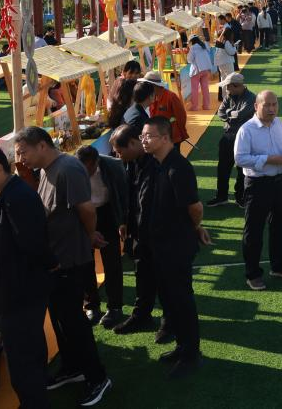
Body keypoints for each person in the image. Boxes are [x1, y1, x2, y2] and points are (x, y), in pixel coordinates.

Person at [13, 127, 112, 405]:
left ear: (42, 145)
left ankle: (97, 377)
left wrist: (90, 235)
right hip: (55, 260)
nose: (20, 159)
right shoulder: (45, 170)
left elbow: (87, 209)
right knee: (60, 320)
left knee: (73, 321)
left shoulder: (68, 168)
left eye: (23, 152)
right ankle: (73, 367)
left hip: (70, 259)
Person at [0, 146, 55, 409]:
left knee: (22, 362)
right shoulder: (8, 196)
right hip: (20, 294)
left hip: (21, 296)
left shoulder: (17, 199)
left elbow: (35, 247)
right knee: (29, 355)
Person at [140, 116, 210, 378]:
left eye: (149, 136)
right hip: (159, 246)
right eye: (142, 136)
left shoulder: (178, 168)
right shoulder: (155, 164)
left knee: (182, 300)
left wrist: (196, 227)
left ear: (165, 138)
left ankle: (191, 354)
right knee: (170, 300)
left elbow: (195, 207)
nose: (144, 140)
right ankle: (182, 346)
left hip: (176, 247)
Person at [108, 125, 168, 341]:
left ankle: (169, 322)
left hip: (160, 234)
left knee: (165, 279)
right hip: (139, 232)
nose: (118, 156)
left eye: (119, 151)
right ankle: (141, 315)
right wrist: (126, 222)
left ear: (133, 143)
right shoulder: (134, 162)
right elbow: (132, 195)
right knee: (142, 274)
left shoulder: (159, 162)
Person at [235, 90, 282, 288]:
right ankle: (252, 274)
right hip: (257, 185)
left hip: (279, 182)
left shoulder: (278, 123)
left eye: (274, 104)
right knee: (254, 230)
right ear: (256, 106)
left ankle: (278, 266)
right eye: (267, 105)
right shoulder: (246, 129)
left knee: (279, 226)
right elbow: (240, 158)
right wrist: (268, 159)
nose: (272, 109)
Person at [76, 145, 129, 329]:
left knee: (112, 261)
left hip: (107, 213)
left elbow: (123, 194)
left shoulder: (113, 166)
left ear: (96, 162)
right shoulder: (73, 169)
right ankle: (92, 305)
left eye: (88, 169)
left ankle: (115, 307)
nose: (85, 173)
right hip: (83, 215)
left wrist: (123, 221)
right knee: (85, 262)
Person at [210, 72, 255, 207]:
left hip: (243, 139)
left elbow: (240, 114)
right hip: (228, 136)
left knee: (241, 169)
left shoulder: (252, 98)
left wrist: (228, 113)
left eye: (228, 86)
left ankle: (240, 197)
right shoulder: (229, 95)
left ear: (236, 86)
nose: (226, 89)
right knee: (223, 167)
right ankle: (221, 196)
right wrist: (231, 114)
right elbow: (220, 112)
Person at [146, 71, 189, 148]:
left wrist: (182, 133)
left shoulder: (171, 97)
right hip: (159, 137)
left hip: (172, 137)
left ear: (154, 85)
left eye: (146, 85)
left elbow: (181, 116)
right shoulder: (152, 97)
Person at [186, 35, 216, 111]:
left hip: (196, 71)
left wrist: (189, 50)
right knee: (205, 88)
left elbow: (189, 60)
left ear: (191, 41)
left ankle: (194, 106)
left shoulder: (193, 48)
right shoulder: (204, 45)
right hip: (206, 69)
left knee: (194, 89)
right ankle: (206, 106)